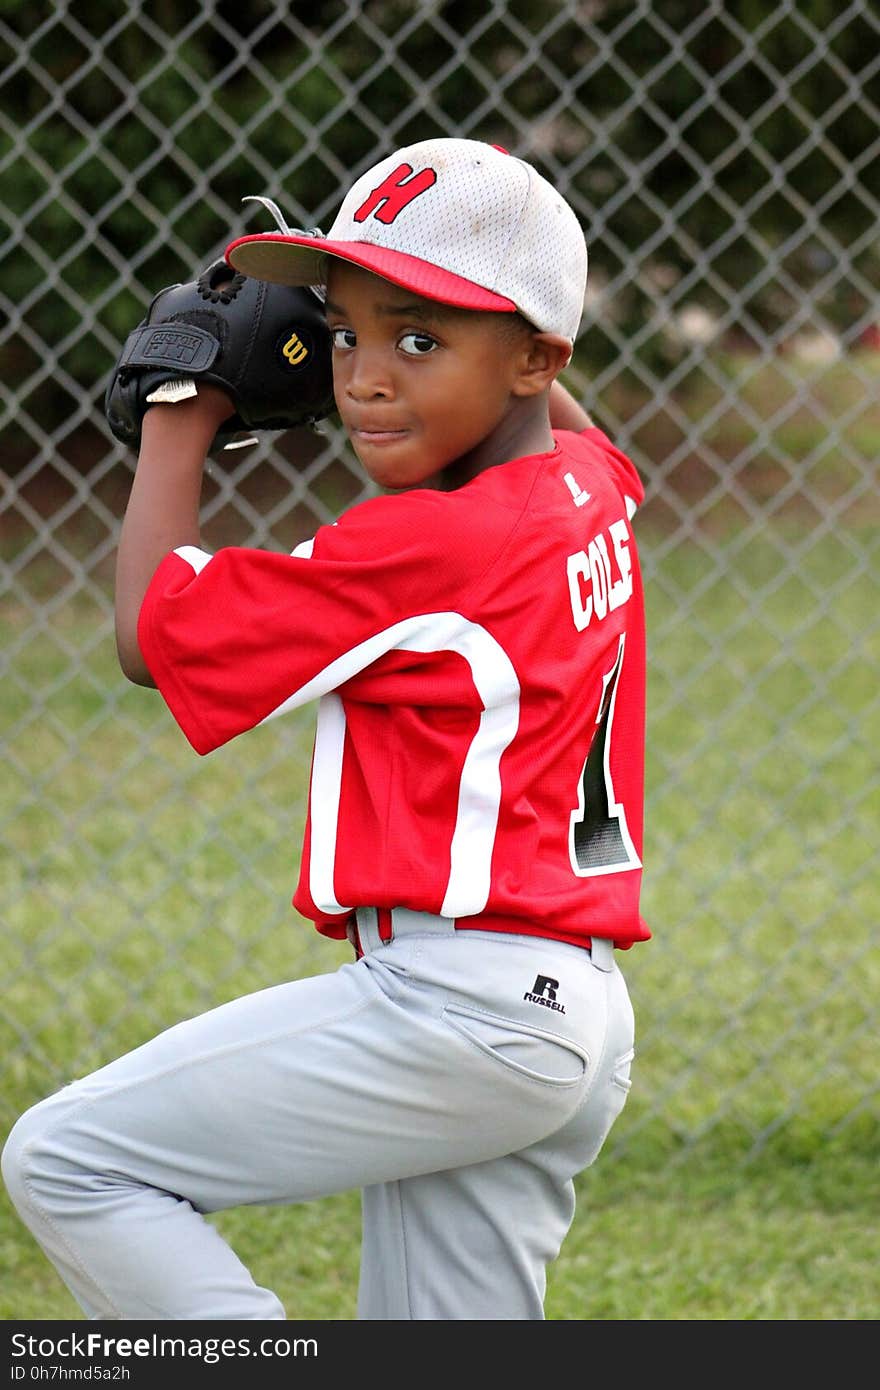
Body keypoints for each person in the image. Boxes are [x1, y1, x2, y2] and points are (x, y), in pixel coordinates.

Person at [2, 137, 650, 1321]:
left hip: (459, 1010)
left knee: (71, 1159)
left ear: (533, 357)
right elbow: (572, 420)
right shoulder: (586, 487)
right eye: (347, 330)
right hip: (569, 1015)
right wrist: (425, 321)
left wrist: (178, 410)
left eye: (419, 338)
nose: (362, 377)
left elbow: (154, 636)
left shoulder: (423, 544)